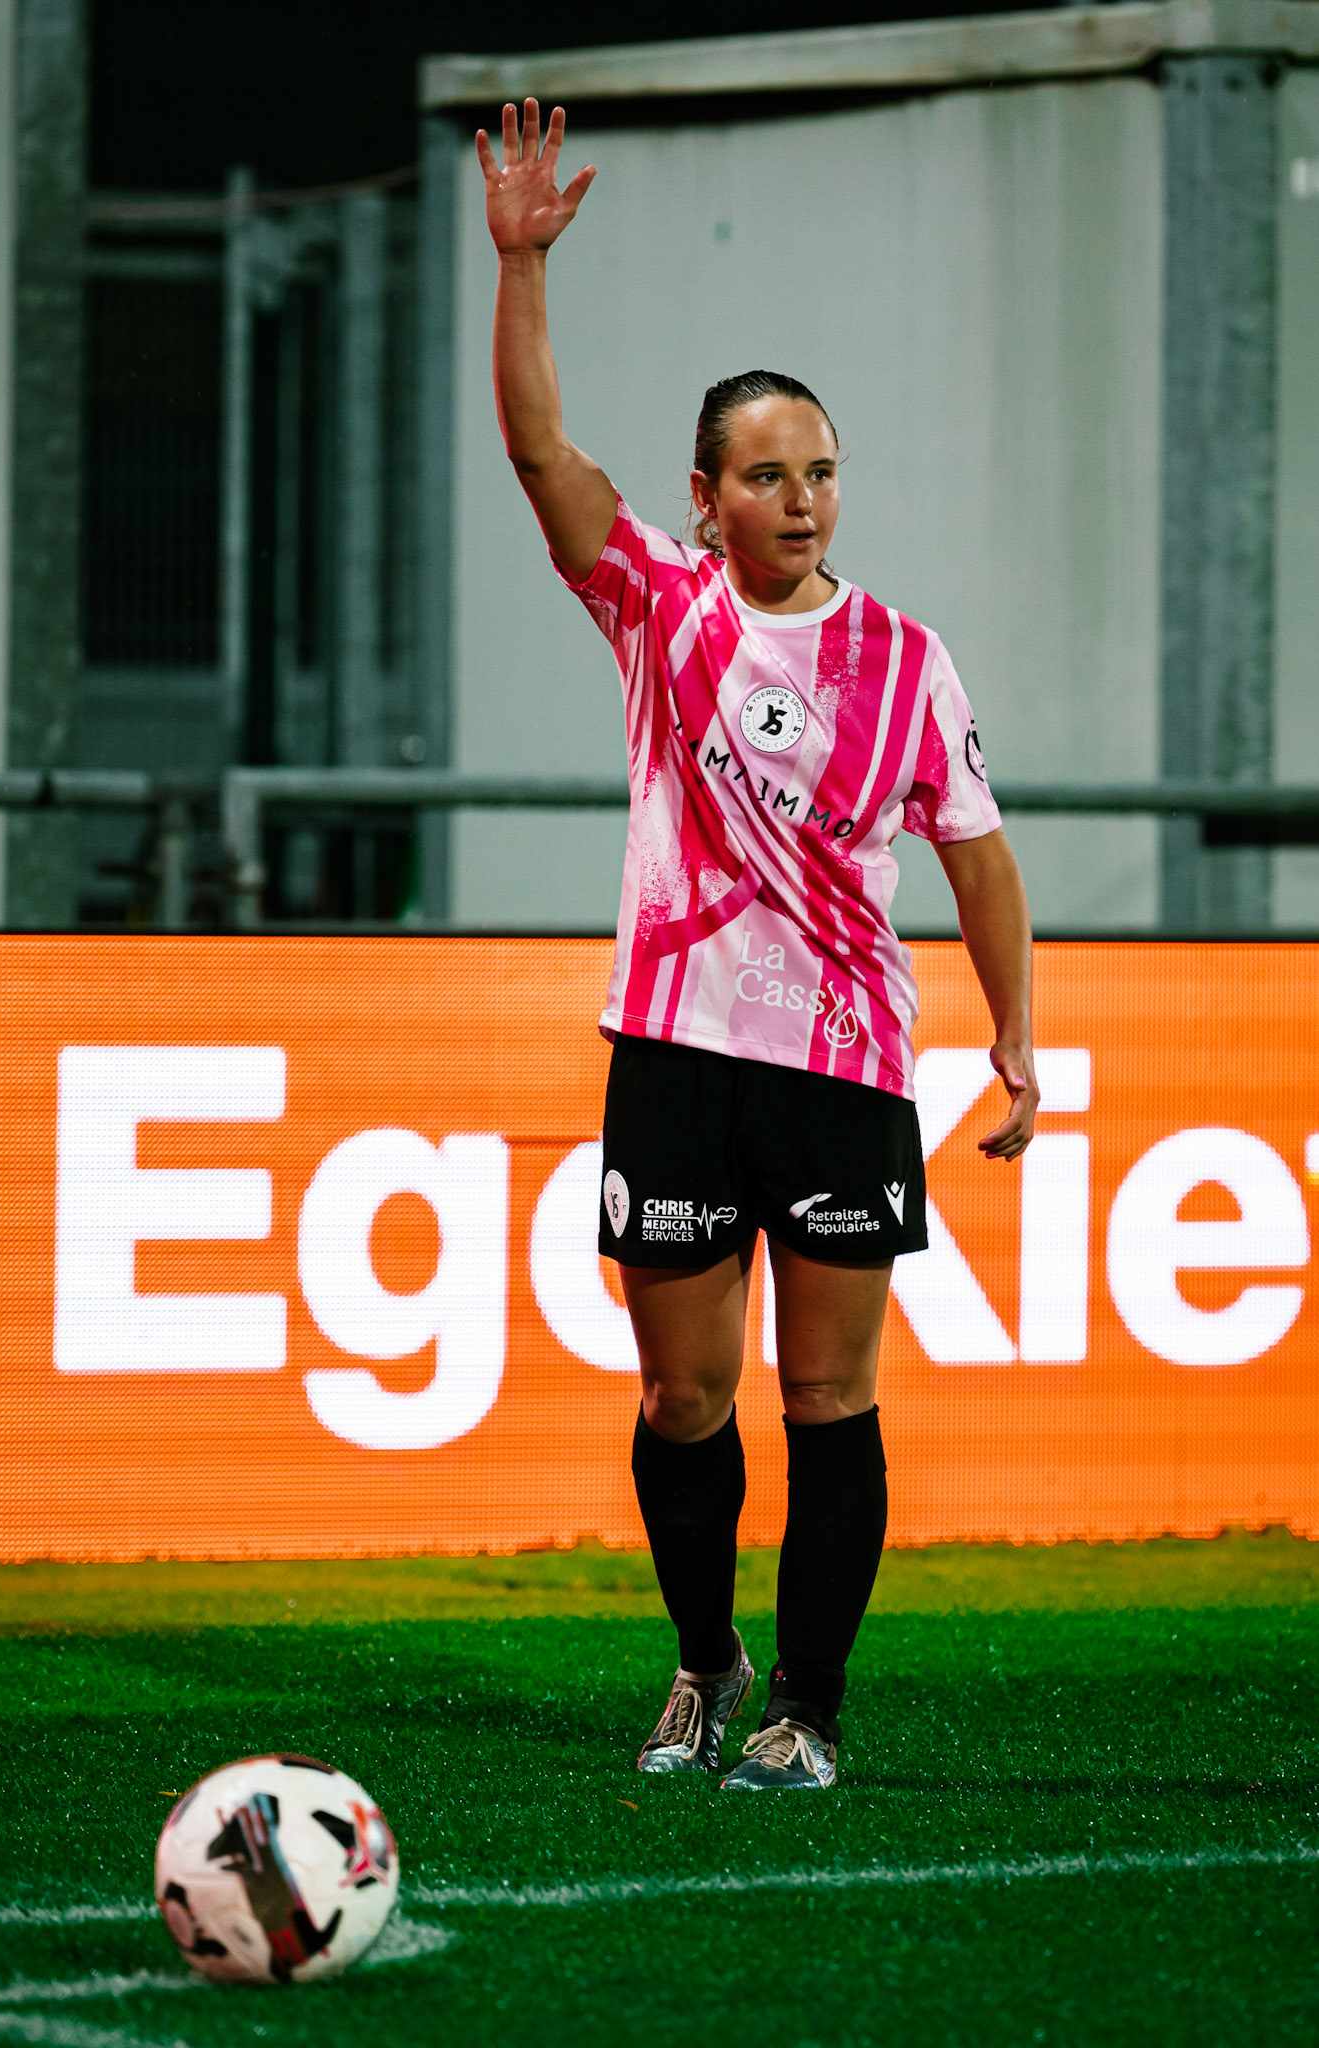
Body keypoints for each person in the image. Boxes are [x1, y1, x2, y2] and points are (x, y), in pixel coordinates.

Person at [478, 100, 1039, 1791]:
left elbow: (978, 855)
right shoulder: (663, 609)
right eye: (767, 474)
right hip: (674, 1047)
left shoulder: (906, 658)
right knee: (683, 1403)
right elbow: (538, 456)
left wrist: (1017, 1035)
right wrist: (521, 271)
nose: (800, 499)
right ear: (704, 498)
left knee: (830, 1400)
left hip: (847, 1058)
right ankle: (705, 1664)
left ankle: (807, 1703)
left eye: (819, 470)